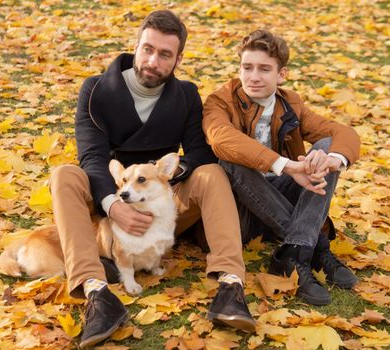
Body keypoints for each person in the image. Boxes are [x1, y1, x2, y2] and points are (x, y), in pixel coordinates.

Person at [50, 10, 254, 348]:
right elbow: (93, 158)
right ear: (136, 46)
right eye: (147, 49)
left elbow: (200, 155)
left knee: (212, 173)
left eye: (164, 54)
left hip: (163, 203)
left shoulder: (186, 95)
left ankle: (231, 285)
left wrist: (162, 179)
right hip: (109, 199)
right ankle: (96, 291)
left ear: (177, 60)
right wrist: (115, 206)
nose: (152, 60)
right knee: (64, 174)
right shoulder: (95, 89)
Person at [202, 29, 361, 306]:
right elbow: (221, 140)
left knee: (325, 147)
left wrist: (334, 160)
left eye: (264, 69)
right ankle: (313, 245)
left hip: (279, 200)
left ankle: (293, 253)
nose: (253, 76)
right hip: (241, 211)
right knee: (230, 159)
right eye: (247, 67)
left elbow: (341, 132)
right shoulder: (220, 100)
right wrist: (286, 166)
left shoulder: (290, 103)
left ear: (281, 74)